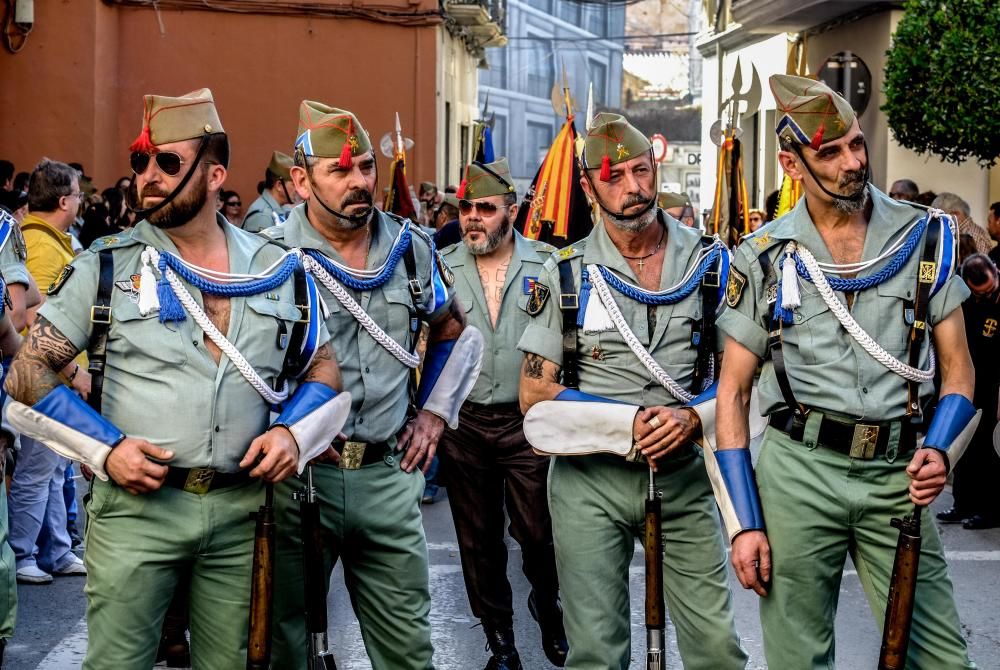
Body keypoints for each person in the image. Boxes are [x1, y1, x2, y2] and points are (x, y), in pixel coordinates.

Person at [4, 88, 347, 668]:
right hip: (137, 514)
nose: (148, 177)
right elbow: (27, 370)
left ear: (215, 175)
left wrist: (292, 433)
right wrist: (106, 449)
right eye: (141, 161)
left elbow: (323, 367)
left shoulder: (275, 267)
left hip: (243, 513)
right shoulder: (108, 265)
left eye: (168, 162)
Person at [716, 74, 976, 668]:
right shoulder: (763, 256)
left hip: (897, 471)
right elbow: (732, 394)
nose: (852, 163)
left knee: (941, 658)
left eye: (856, 144)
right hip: (798, 473)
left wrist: (938, 450)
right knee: (797, 657)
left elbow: (959, 371)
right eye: (829, 153)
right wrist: (744, 523)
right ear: (791, 162)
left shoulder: (923, 237)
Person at [517, 112, 747, 670]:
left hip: (685, 472)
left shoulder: (713, 264)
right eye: (614, 178)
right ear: (590, 188)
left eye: (642, 171)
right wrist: (629, 425)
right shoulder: (564, 273)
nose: (634, 188)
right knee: (596, 650)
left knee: (716, 649)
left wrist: (693, 420)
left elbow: (745, 377)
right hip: (588, 479)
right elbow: (535, 394)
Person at [264, 101, 483, 670]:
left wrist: (433, 414)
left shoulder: (411, 250)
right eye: (341, 170)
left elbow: (452, 330)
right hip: (296, 480)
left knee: (408, 651)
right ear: (300, 179)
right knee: (284, 642)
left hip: (387, 475)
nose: (360, 181)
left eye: (365, 166)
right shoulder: (264, 254)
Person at [438, 157, 566, 669]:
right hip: (463, 422)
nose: (472, 217)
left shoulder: (549, 264)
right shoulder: (440, 264)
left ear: (511, 211)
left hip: (527, 421)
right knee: (477, 538)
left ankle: (547, 603)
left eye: (486, 209)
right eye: (466, 207)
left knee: (538, 531)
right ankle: (501, 642)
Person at [7, 158, 91, 585]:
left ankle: (56, 549)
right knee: (37, 470)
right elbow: (35, 318)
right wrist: (72, 367)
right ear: (63, 200)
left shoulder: (49, 240)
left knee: (55, 469)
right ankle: (22, 553)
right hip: (47, 376)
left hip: (55, 375)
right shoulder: (40, 245)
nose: (82, 201)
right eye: (78, 194)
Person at [936, 254, 1000, 529]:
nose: (987, 295)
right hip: (966, 383)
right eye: (980, 293)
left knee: (989, 452)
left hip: (994, 388)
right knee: (961, 446)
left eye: (990, 289)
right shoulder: (963, 298)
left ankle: (990, 510)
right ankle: (963, 504)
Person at [242, 150, 298, 232]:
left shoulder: (284, 209)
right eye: (294, 184)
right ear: (279, 185)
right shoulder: (262, 216)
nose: (297, 189)